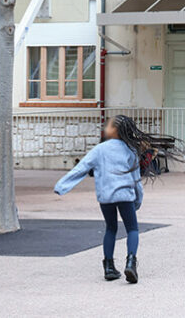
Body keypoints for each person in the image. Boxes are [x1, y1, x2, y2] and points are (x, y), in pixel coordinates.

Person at [54, 115, 153, 284]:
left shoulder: (100, 150)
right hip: (125, 196)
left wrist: (62, 186)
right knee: (132, 229)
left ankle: (108, 267)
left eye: (108, 126)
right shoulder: (131, 150)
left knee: (111, 228)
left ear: (115, 130)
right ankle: (131, 263)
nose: (105, 128)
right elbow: (136, 178)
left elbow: (81, 168)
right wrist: (138, 199)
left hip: (105, 196)